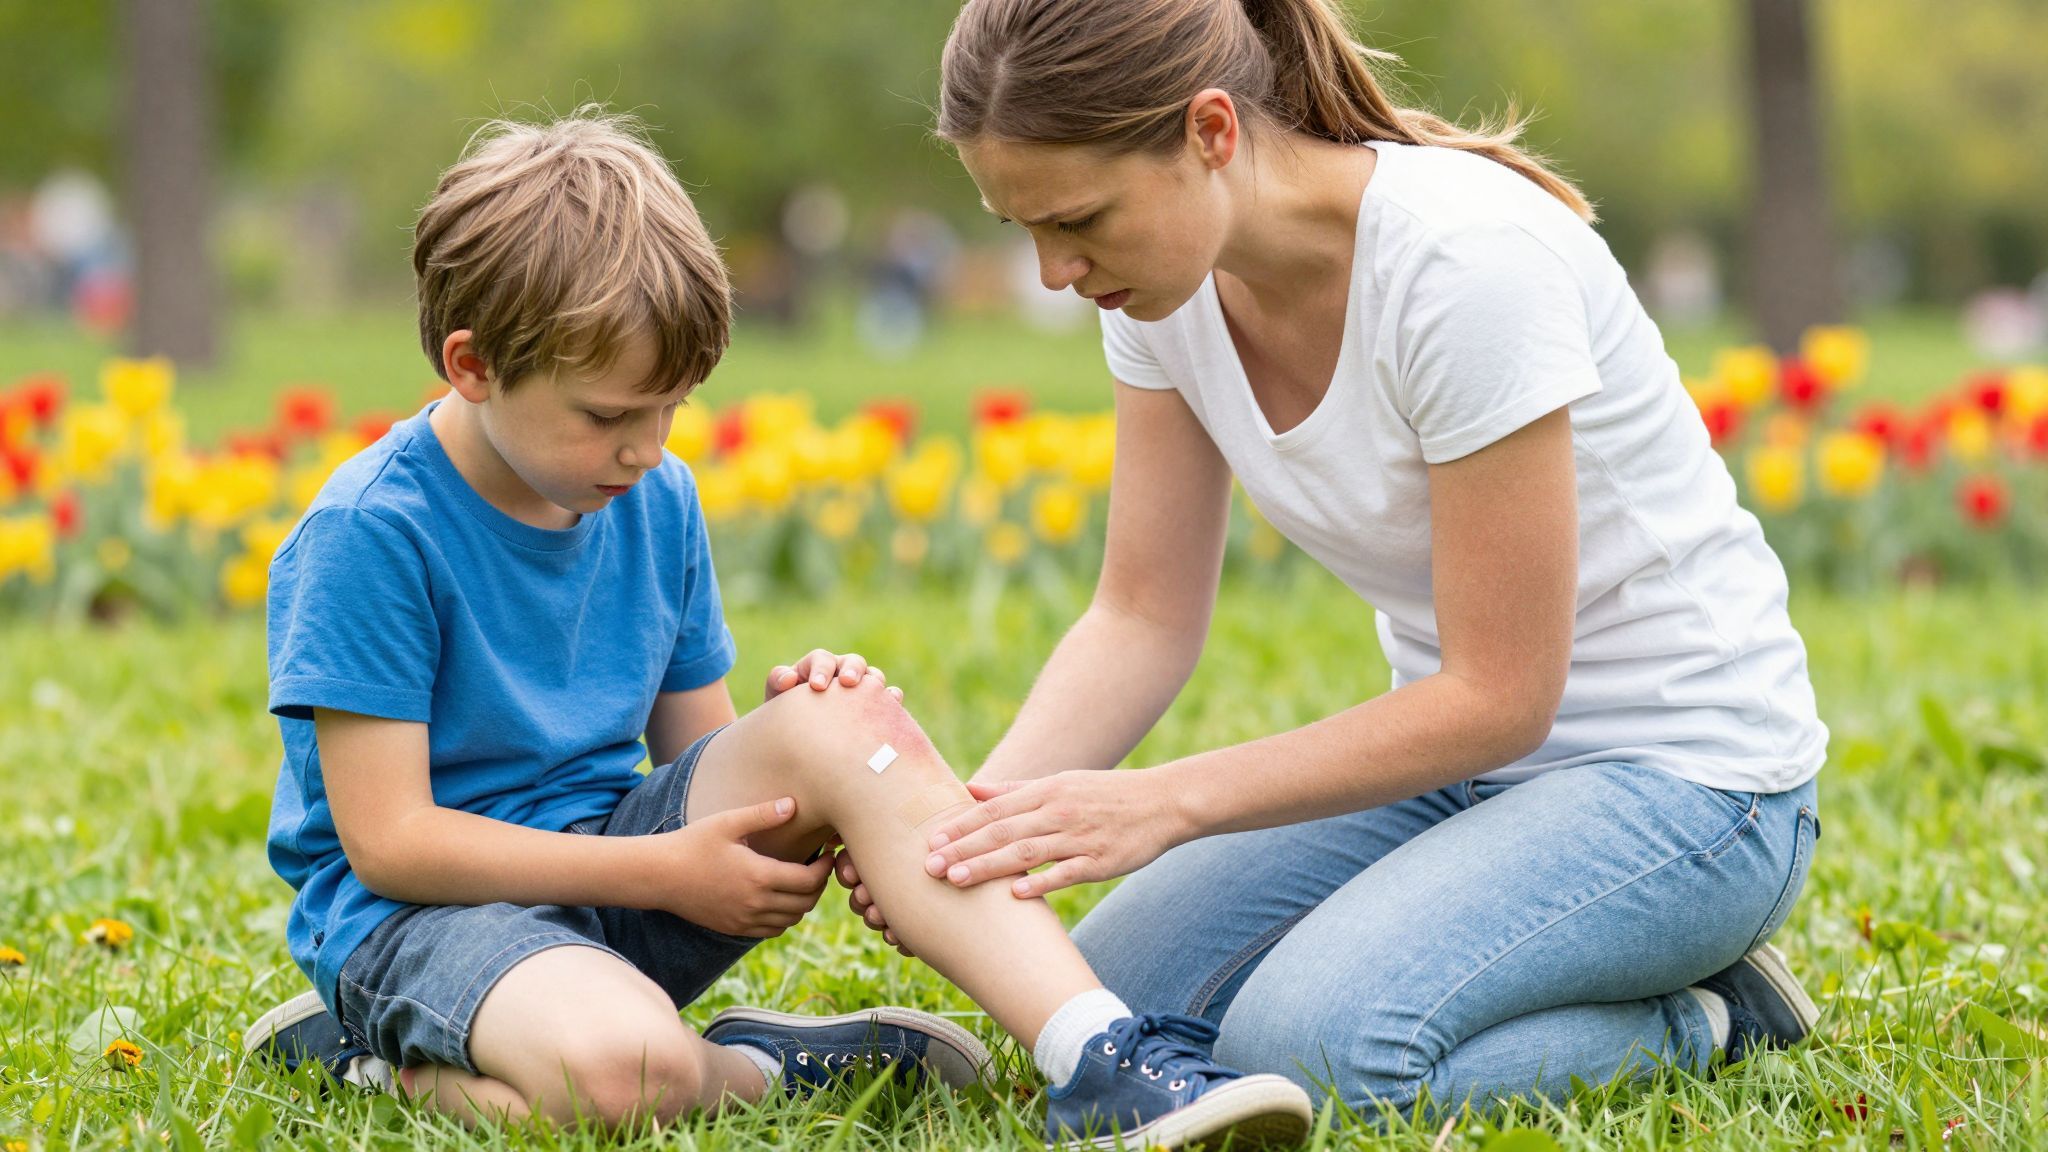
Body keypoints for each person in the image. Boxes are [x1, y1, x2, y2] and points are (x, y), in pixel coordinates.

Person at [239, 110, 1312, 1148]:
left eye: (669, 409)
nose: (643, 450)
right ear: (473, 367)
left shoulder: (652, 498)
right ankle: (686, 1067)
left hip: (607, 883)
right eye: (606, 417)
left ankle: (1097, 1054)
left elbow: (703, 759)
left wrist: (815, 739)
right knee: (627, 1075)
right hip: (421, 925)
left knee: (838, 716)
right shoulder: (374, 532)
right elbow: (392, 842)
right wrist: (662, 876)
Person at [841, 0, 1827, 1123]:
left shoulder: (1463, 268)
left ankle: (1705, 1017)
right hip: (1455, 779)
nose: (1057, 269)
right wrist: (980, 826)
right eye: (1020, 228)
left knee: (1308, 1054)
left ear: (1210, 132)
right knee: (1098, 997)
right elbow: (1140, 616)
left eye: (1077, 220)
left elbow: (1501, 696)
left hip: (1691, 789)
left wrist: (1164, 802)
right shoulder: (1158, 284)